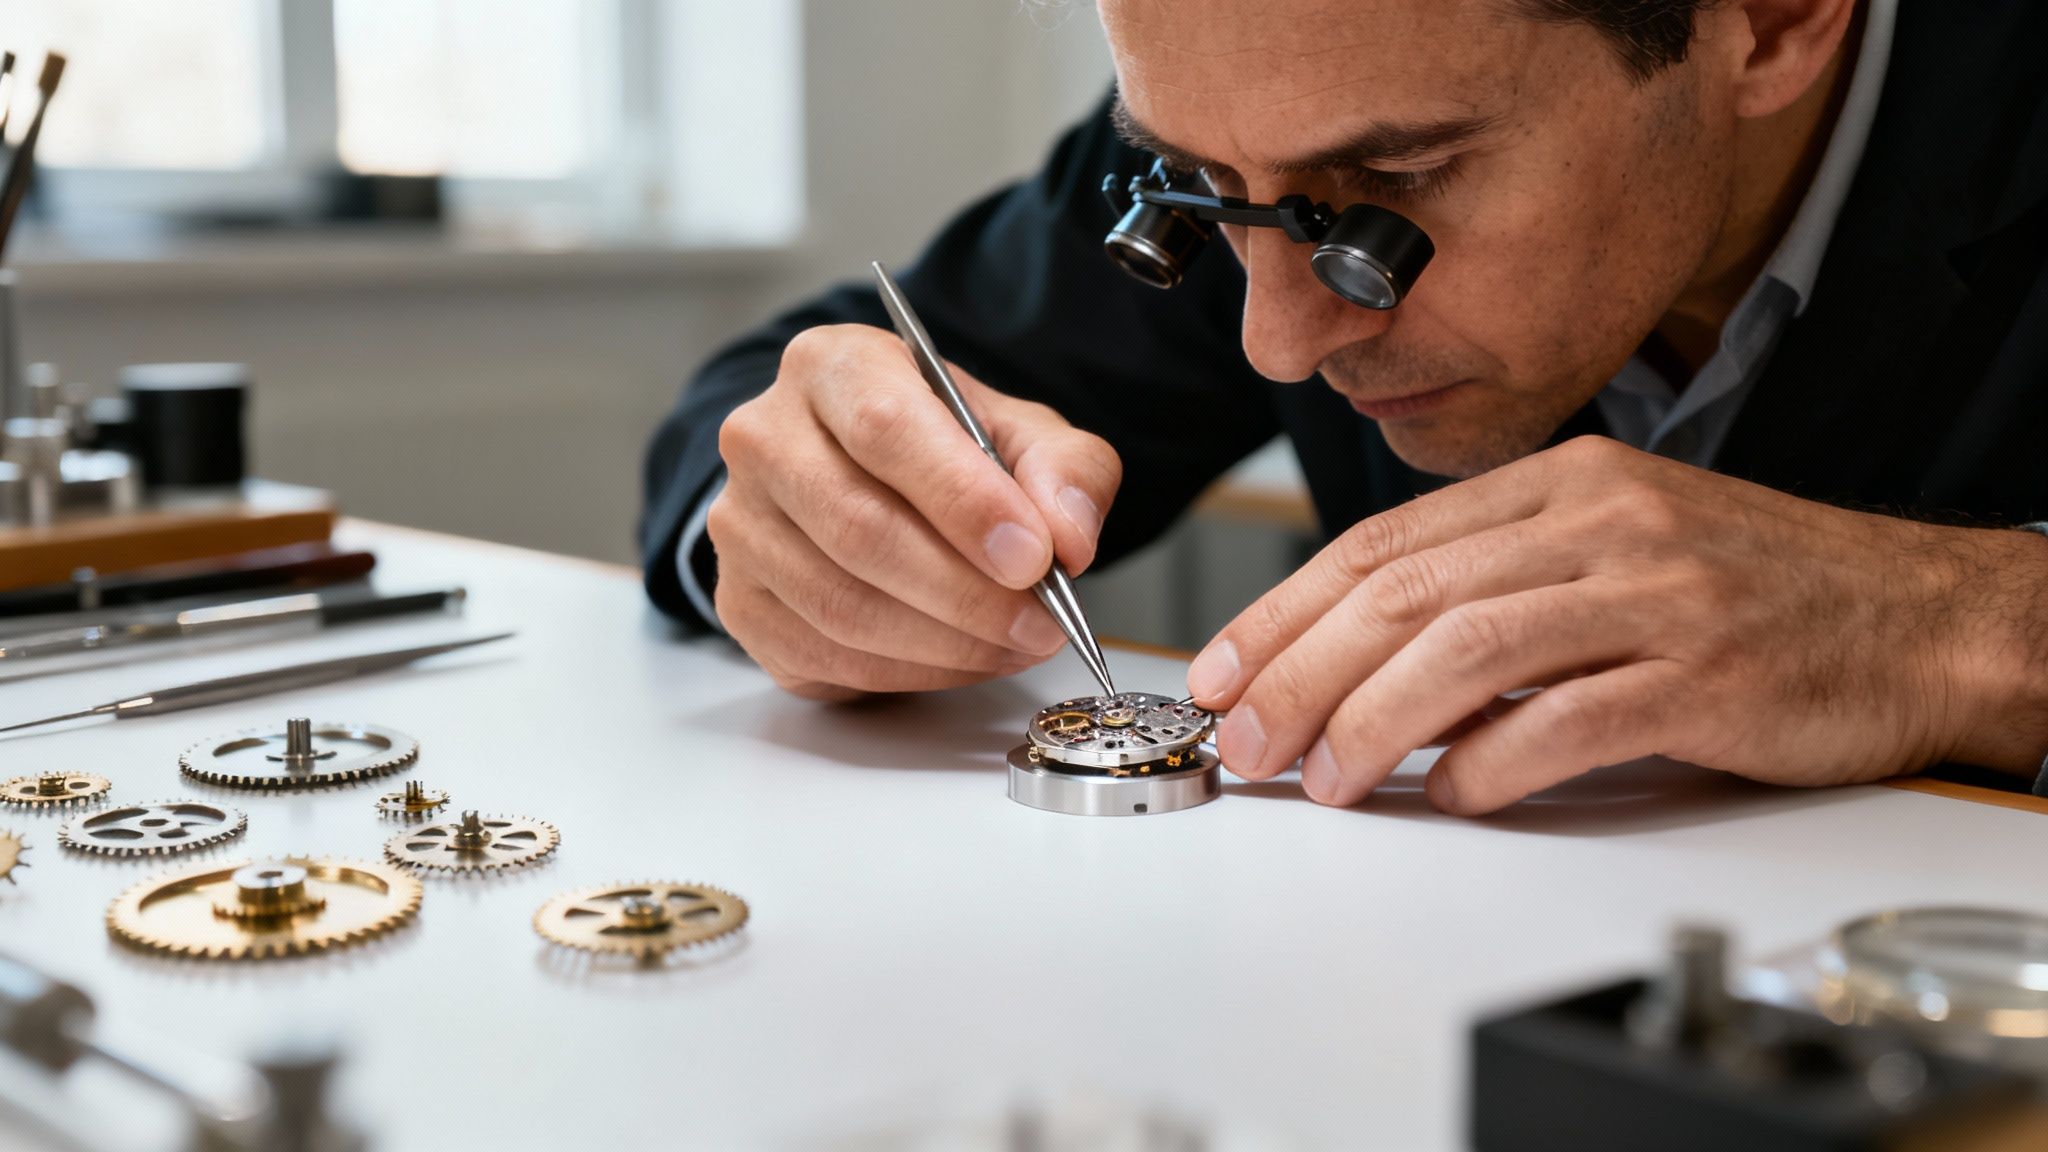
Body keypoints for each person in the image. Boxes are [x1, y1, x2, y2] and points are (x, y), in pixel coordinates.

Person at [642, 0, 2048, 814]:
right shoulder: (1262, 104)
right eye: (1201, 189)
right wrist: (804, 520)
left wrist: (1963, 627)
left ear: (1774, 19)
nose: (1277, 339)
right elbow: (778, 386)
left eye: (1395, 189)